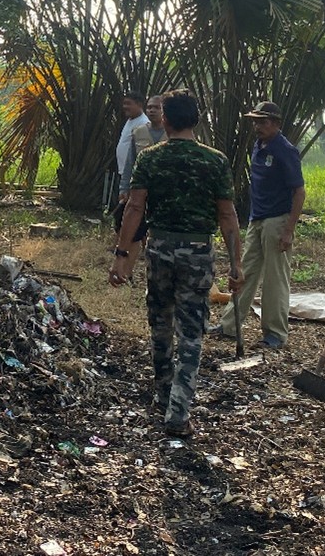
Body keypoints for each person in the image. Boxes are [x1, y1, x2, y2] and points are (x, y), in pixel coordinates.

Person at [109, 90, 243, 437]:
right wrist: (236, 265)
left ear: (165, 119)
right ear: (196, 120)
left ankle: (163, 392)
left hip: (161, 250)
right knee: (191, 331)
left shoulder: (151, 159)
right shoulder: (215, 161)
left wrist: (122, 255)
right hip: (198, 253)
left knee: (161, 323)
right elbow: (227, 215)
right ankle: (178, 411)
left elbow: (134, 209)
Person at [219, 100, 306, 349]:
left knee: (275, 277)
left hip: (277, 219)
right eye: (255, 121)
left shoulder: (285, 150)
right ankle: (229, 325)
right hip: (257, 219)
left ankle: (275, 333)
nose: (258, 126)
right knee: (244, 271)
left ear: (276, 124)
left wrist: (289, 229)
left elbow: (299, 192)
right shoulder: (258, 145)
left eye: (263, 121)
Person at [113, 94, 165, 241]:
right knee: (134, 219)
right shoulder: (139, 131)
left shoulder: (173, 133)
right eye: (150, 107)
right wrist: (124, 187)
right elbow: (130, 162)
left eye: (157, 107)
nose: (152, 110)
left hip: (164, 187)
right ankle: (127, 248)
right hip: (140, 185)